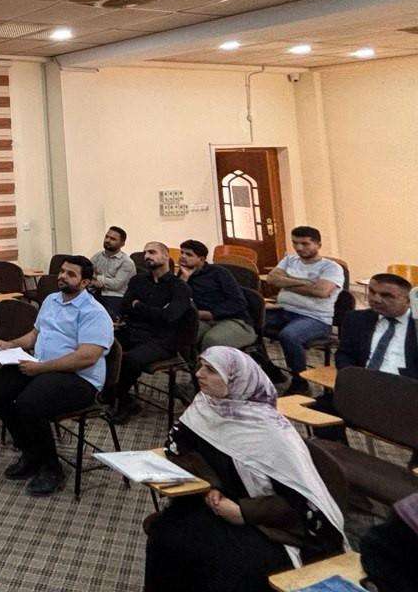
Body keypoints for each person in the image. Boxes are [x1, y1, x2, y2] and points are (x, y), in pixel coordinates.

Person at [143, 347, 346, 592]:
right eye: (200, 366)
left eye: (211, 370)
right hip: (220, 506)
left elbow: (303, 506)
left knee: (226, 567)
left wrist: (243, 511)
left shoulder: (271, 433)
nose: (198, 374)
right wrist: (212, 486)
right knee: (165, 535)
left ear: (236, 380)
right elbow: (178, 448)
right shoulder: (206, 407)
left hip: (268, 524)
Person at [0, 255, 113, 496]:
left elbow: (86, 357)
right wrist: (11, 344)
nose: (62, 276)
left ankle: (52, 469)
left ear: (85, 283)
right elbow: (34, 336)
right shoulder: (51, 300)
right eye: (62, 271)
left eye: (71, 274)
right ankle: (30, 452)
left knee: (29, 403)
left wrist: (42, 368)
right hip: (43, 367)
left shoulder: (94, 312)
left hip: (80, 379)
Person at [310, 272, 416, 447]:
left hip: (406, 394)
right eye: (372, 292)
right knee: (320, 407)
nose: (376, 299)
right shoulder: (356, 319)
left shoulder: (416, 326)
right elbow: (344, 354)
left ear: (408, 300)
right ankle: (338, 452)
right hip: (364, 388)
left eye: (387, 295)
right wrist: (354, 378)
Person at [111, 241, 193, 424]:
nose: (147, 256)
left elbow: (169, 317)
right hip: (133, 331)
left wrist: (139, 306)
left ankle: (121, 400)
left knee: (130, 360)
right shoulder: (138, 281)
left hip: (162, 339)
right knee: (101, 345)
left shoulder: (179, 287)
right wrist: (154, 311)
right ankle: (119, 396)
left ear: (166, 256)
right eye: (145, 253)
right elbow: (125, 307)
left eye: (152, 252)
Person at [263, 227, 344, 394]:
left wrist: (286, 281)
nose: (299, 248)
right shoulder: (289, 260)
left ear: (318, 244)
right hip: (283, 310)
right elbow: (271, 279)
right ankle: (269, 368)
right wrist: (306, 283)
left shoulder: (331, 267)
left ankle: (300, 381)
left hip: (315, 318)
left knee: (289, 335)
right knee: (249, 321)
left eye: (305, 244)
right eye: (295, 243)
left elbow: (321, 292)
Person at [178, 240, 256, 351]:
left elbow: (238, 302)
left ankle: (208, 363)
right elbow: (177, 301)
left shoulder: (219, 273)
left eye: (189, 254)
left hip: (233, 320)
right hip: (202, 320)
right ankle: (190, 362)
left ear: (201, 259)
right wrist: (184, 280)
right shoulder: (183, 274)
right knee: (183, 335)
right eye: (182, 253)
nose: (183, 257)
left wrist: (211, 314)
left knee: (212, 341)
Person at [92, 225, 136, 317]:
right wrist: (94, 281)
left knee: (102, 316)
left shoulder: (126, 262)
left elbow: (116, 285)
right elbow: (87, 272)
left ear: (122, 244)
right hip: (96, 293)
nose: (107, 240)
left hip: (116, 296)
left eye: (113, 239)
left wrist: (96, 279)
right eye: (107, 237)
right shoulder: (98, 256)